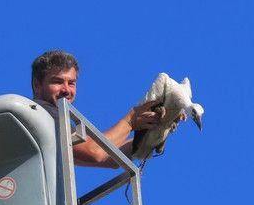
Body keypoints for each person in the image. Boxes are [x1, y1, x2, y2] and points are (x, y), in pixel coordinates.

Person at [30, 50, 161, 167]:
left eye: (71, 83)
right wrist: (130, 121)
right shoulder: (40, 114)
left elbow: (111, 159)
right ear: (37, 85)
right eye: (57, 82)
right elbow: (95, 152)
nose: (66, 90)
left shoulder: (52, 129)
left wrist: (148, 136)